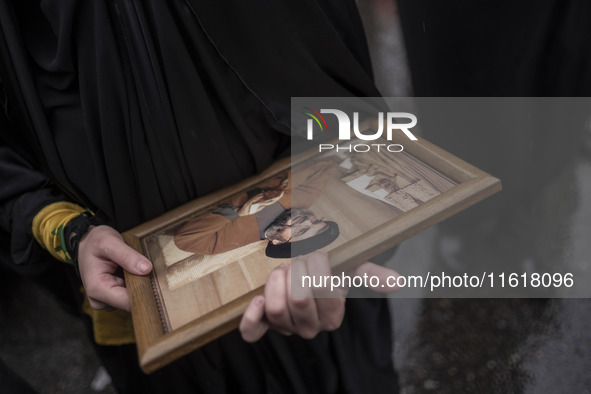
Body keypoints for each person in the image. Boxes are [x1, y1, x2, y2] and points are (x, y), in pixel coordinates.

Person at [0, 1, 400, 393]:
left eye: (303, 227)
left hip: (314, 307)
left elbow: (322, 58)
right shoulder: (295, 200)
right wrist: (73, 231)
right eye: (313, 221)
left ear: (278, 240)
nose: (302, 221)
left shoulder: (238, 235)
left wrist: (346, 228)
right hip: (152, 315)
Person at [174, 160, 340, 258]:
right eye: (316, 221)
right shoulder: (305, 200)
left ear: (278, 242)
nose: (306, 220)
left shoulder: (235, 239)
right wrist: (280, 186)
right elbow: (326, 167)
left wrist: (236, 211)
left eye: (301, 231)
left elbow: (185, 240)